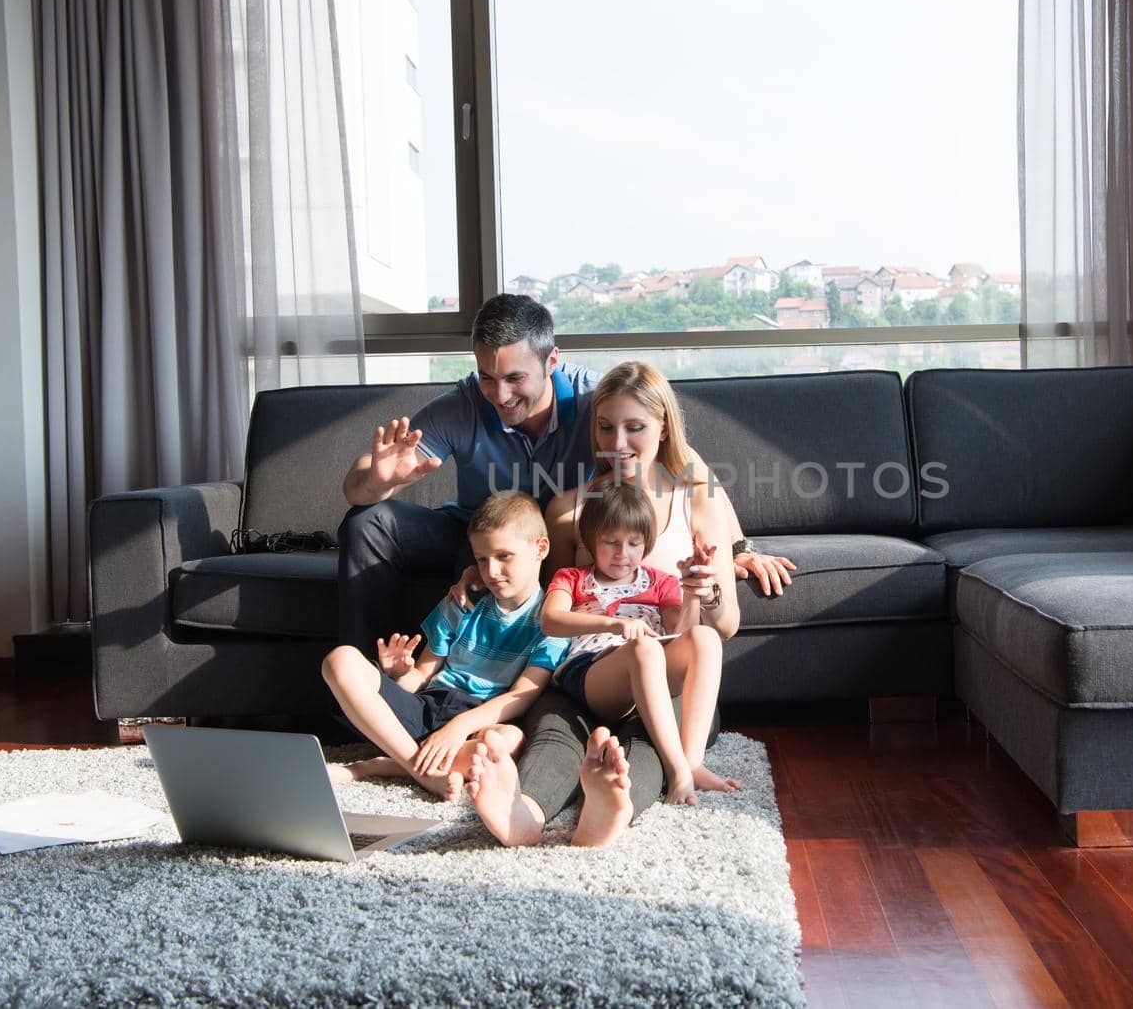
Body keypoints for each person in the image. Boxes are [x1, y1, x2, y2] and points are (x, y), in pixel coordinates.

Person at [337, 293, 795, 652]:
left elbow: (688, 469)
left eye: (515, 378)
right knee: (367, 519)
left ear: (552, 361)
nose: (499, 394)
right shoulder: (463, 405)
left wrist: (738, 547)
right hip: (476, 530)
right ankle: (368, 679)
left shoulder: (600, 403)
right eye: (487, 377)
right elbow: (356, 484)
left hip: (553, 534)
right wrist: (380, 479)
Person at [465, 360, 742, 848]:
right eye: (605, 427)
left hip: (673, 677)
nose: (617, 444)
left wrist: (706, 592)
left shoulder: (698, 500)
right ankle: (523, 814)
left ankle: (607, 811)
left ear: (663, 428)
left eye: (635, 428)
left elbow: (725, 626)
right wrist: (483, 572)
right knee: (554, 732)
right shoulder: (569, 509)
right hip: (589, 669)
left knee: (650, 747)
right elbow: (544, 604)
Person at [321, 492, 568, 800]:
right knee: (341, 659)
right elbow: (423, 673)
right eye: (481, 559)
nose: (490, 571)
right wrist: (397, 676)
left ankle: (376, 765)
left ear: (540, 548)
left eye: (504, 556)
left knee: (507, 742)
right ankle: (420, 770)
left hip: (479, 719)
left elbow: (523, 694)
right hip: (428, 706)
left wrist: (459, 727)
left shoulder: (552, 621)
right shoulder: (462, 602)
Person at [541, 483, 729, 807]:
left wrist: (692, 592)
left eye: (633, 544)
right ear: (589, 540)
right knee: (644, 649)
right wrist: (614, 623)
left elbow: (682, 633)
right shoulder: (572, 577)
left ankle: (693, 761)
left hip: (651, 669)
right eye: (610, 542)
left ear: (646, 543)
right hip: (593, 674)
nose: (622, 554)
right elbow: (550, 620)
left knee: (705, 637)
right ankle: (677, 770)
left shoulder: (659, 582)